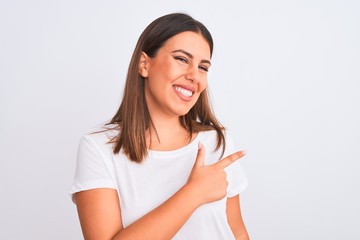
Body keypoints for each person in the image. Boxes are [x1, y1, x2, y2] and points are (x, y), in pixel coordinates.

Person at [70, 12, 249, 240]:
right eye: (182, 59)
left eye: (203, 67)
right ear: (144, 64)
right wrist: (194, 193)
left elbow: (239, 233)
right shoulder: (99, 148)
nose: (194, 75)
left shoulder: (216, 142)